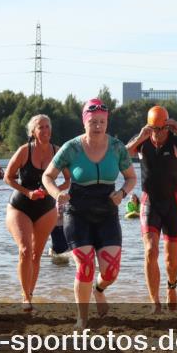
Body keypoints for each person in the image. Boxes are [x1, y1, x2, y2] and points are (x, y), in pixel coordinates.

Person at [43, 99, 136, 328]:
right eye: (93, 121)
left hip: (107, 213)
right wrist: (57, 194)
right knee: (85, 267)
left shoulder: (117, 148)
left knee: (111, 272)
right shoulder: (71, 147)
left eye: (102, 121)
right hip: (78, 213)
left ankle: (99, 289)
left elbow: (131, 177)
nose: (98, 126)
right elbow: (47, 176)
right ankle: (82, 319)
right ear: (85, 122)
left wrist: (123, 193)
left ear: (107, 122)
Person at [126, 105, 177, 312]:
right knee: (149, 251)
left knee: (171, 260)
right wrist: (139, 138)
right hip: (150, 203)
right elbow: (120, 156)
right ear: (148, 127)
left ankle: (171, 287)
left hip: (173, 204)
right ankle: (154, 301)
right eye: (154, 129)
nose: (158, 133)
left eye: (162, 128)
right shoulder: (142, 143)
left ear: (168, 126)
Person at [4, 114, 61, 311]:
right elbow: (8, 177)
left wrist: (56, 191)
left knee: (36, 255)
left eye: (48, 127)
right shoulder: (24, 151)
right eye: (41, 127)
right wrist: (28, 192)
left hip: (46, 208)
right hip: (20, 206)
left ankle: (30, 294)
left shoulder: (58, 151)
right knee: (25, 250)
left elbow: (69, 179)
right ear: (33, 132)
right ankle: (25, 297)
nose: (45, 131)